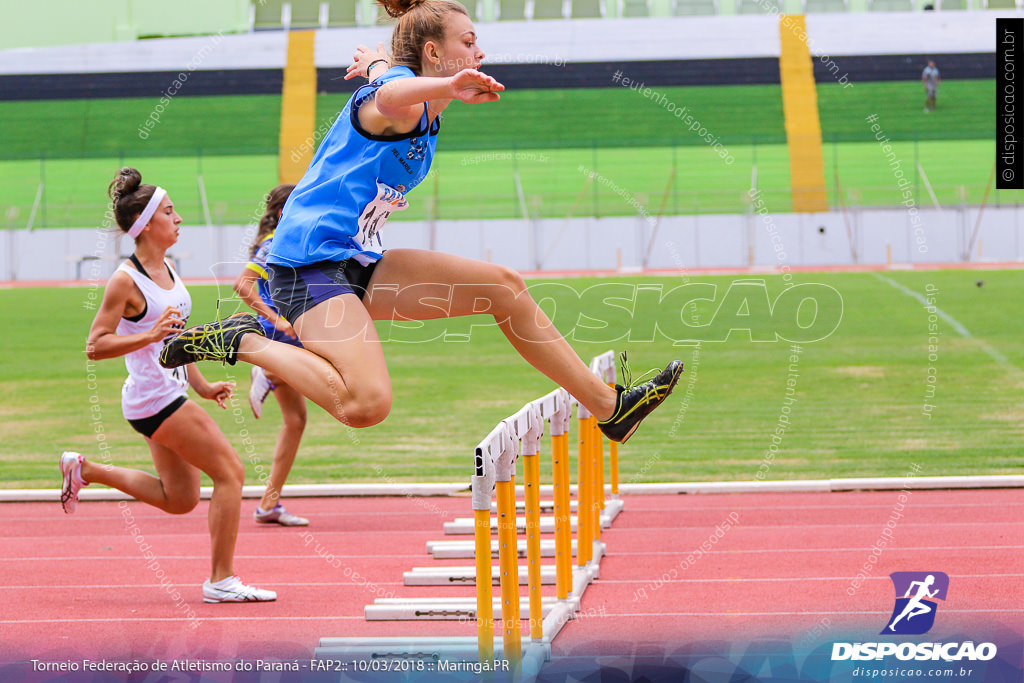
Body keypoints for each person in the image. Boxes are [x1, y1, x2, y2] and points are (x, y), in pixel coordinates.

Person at [159, 0, 683, 446]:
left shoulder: (422, 102)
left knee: (504, 288)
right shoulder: (403, 102)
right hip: (308, 264)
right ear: (434, 53)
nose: (480, 54)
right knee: (366, 405)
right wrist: (424, 77)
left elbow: (387, 80)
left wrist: (389, 67)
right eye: (469, 42)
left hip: (355, 258)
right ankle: (244, 341)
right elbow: (388, 94)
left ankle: (609, 410)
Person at [61, 167, 276, 603]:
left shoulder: (168, 268)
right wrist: (148, 335)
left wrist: (201, 385)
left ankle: (86, 469)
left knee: (179, 499)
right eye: (169, 211)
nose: (178, 218)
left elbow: (176, 338)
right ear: (145, 225)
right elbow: (95, 346)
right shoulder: (126, 280)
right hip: (155, 399)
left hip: (164, 396)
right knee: (231, 474)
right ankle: (221, 580)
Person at [233, 184, 309, 527]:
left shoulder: (291, 240)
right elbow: (243, 284)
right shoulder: (275, 243)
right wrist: (277, 317)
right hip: (279, 333)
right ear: (285, 213)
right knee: (334, 367)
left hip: (284, 331)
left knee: (296, 420)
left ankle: (268, 504)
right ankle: (268, 372)